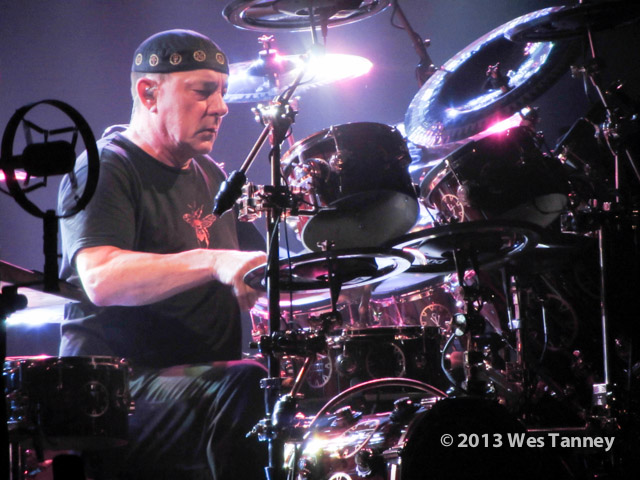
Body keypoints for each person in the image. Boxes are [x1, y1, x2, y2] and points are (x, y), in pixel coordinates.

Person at [57, 29, 269, 480]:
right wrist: (213, 261)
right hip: (113, 394)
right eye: (203, 92)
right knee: (248, 383)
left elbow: (260, 271)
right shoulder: (105, 167)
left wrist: (342, 275)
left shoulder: (211, 175)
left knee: (287, 380)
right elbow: (100, 277)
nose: (221, 107)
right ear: (148, 93)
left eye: (223, 92)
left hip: (200, 381)